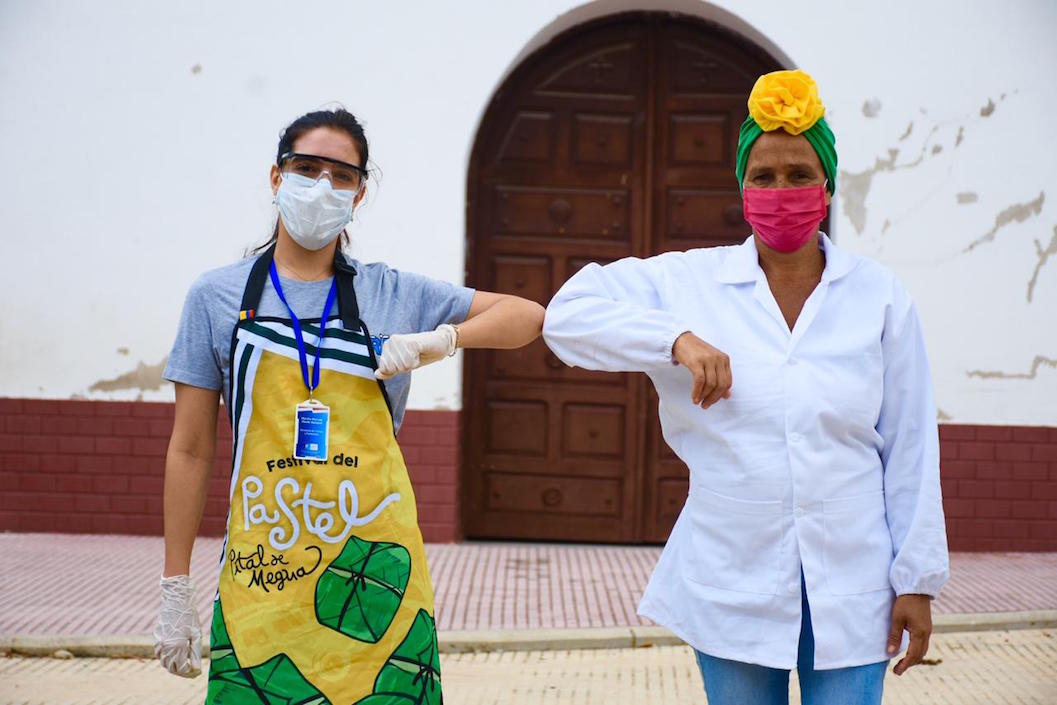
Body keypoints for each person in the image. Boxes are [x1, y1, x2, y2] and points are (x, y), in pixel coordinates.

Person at [542, 70, 948, 705]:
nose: (781, 189)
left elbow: (912, 446)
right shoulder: (690, 283)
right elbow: (566, 315)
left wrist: (917, 580)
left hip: (855, 578)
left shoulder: (880, 297)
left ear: (827, 185)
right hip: (733, 576)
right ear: (741, 187)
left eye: (798, 174)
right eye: (763, 176)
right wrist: (674, 337)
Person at [153, 108, 544, 704]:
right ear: (276, 178)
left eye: (341, 175)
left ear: (360, 193)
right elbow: (189, 448)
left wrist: (440, 340)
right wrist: (175, 587)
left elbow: (527, 317)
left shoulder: (393, 292)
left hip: (377, 581)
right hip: (264, 573)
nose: (322, 187)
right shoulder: (217, 296)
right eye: (306, 168)